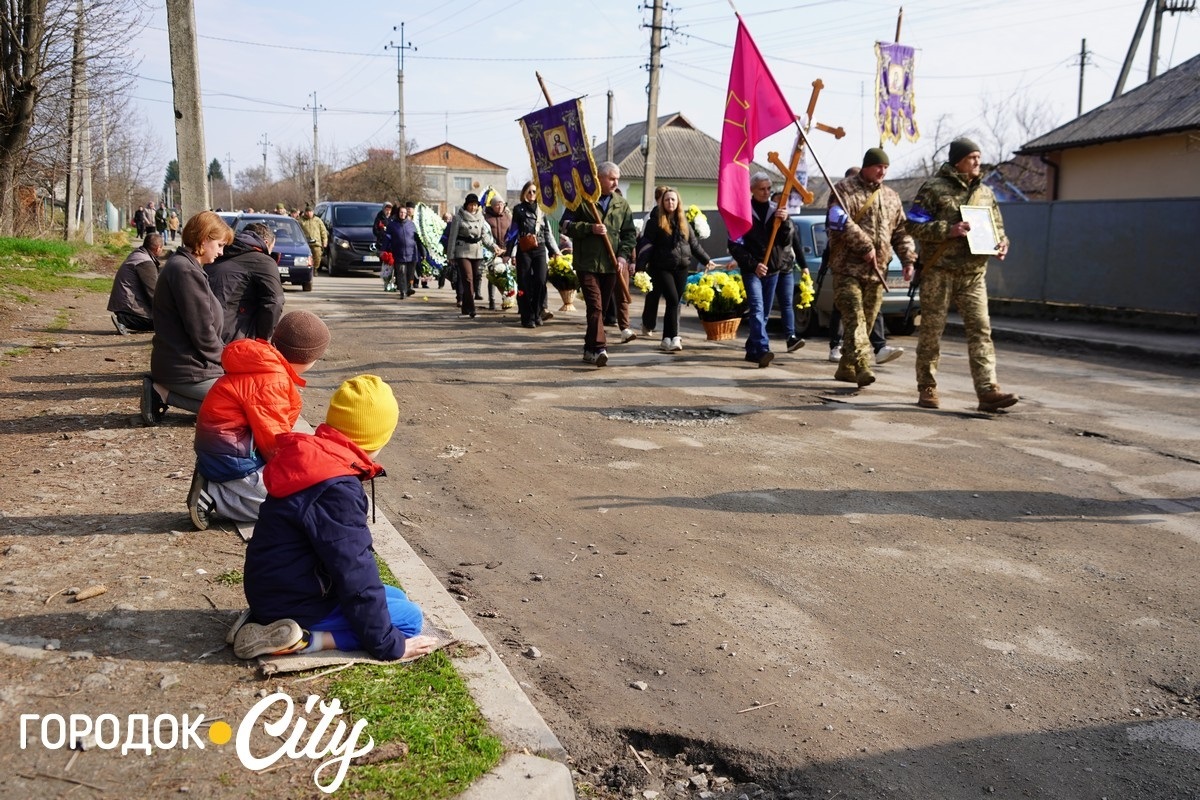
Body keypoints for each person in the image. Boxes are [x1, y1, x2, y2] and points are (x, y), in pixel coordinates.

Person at [231, 375, 440, 662]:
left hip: (277, 590)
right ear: (378, 437)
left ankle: (268, 623)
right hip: (296, 601)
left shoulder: (313, 460)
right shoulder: (336, 488)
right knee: (409, 619)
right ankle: (305, 640)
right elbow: (354, 570)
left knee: (395, 597)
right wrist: (390, 645)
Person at [187, 310, 330, 530]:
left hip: (227, 449)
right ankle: (215, 493)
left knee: (297, 497)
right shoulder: (272, 380)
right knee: (291, 506)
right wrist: (293, 474)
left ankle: (222, 484)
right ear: (309, 358)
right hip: (232, 456)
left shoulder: (264, 364)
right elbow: (274, 440)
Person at [907, 137, 1018, 413]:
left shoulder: (986, 193)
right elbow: (913, 225)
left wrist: (1002, 243)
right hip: (939, 272)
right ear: (958, 160)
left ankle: (987, 390)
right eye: (972, 157)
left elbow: (998, 227)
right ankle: (927, 386)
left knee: (981, 330)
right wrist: (948, 229)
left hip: (973, 273)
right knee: (932, 332)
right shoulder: (934, 188)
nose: (977, 162)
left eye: (979, 157)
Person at [825, 148, 916, 388]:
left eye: (886, 167)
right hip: (847, 269)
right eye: (878, 166)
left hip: (877, 272)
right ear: (866, 166)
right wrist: (865, 245)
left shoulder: (891, 196)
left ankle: (846, 367)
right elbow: (838, 221)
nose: (882, 171)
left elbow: (900, 232)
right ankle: (863, 366)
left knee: (866, 320)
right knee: (855, 319)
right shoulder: (843, 190)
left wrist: (908, 260)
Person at [142, 210, 234, 425]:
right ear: (204, 240)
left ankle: (163, 392)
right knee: (239, 407)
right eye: (220, 245)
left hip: (188, 365)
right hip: (186, 369)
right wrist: (228, 362)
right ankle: (161, 393)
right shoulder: (185, 272)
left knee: (242, 403)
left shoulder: (186, 266)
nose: (221, 252)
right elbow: (202, 331)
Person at [560, 161, 637, 367]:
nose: (615, 183)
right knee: (595, 306)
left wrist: (622, 256)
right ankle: (600, 348)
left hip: (612, 264)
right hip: (587, 263)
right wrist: (589, 228)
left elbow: (629, 234)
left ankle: (589, 349)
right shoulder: (581, 200)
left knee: (599, 309)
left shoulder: (621, 204)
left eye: (617, 179)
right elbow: (564, 225)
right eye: (611, 178)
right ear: (599, 178)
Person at [728, 172, 793, 367]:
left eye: (768, 189)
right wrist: (753, 265)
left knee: (763, 313)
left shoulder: (777, 210)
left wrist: (786, 223)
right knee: (756, 307)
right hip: (752, 269)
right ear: (752, 190)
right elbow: (734, 245)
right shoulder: (742, 212)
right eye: (762, 189)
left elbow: (785, 241)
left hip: (772, 269)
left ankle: (752, 349)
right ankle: (763, 348)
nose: (766, 193)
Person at [637, 187, 714, 352]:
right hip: (662, 267)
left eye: (673, 199)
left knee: (674, 302)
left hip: (682, 267)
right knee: (673, 299)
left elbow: (693, 244)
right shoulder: (655, 222)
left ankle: (667, 338)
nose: (670, 202)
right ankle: (675, 336)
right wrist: (640, 268)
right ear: (662, 203)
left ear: (678, 202)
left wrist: (707, 260)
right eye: (667, 200)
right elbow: (646, 245)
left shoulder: (684, 221)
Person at [206, 221, 285, 344]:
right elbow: (275, 301)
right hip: (236, 339)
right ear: (265, 243)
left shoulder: (218, 252)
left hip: (206, 332)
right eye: (271, 248)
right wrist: (261, 338)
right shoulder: (263, 261)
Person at [506, 181, 559, 328]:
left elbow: (547, 232)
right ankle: (526, 316)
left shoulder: (542, 209)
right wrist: (508, 253)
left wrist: (555, 251)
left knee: (541, 281)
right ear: (524, 193)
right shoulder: (518, 209)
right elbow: (513, 232)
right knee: (524, 284)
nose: (531, 195)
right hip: (524, 249)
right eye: (529, 192)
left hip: (540, 248)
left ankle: (537, 313)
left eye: (534, 192)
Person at [445, 193, 497, 319]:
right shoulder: (458, 218)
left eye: (475, 205)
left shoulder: (481, 218)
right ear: (466, 205)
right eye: (471, 205)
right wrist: (450, 255)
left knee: (474, 279)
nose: (473, 208)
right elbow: (452, 237)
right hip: (462, 251)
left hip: (477, 252)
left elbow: (484, 236)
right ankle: (472, 307)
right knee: (468, 279)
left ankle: (465, 307)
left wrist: (494, 247)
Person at [107, 234, 165, 335]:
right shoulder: (145, 262)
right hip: (128, 306)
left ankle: (125, 318)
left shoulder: (138, 255)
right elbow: (153, 292)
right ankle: (124, 320)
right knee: (164, 323)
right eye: (162, 248)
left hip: (125, 303)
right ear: (157, 248)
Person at [383, 204, 424, 297]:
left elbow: (418, 239)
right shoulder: (392, 225)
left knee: (410, 274)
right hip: (398, 252)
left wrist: (422, 252)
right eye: (401, 212)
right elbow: (387, 238)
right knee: (401, 272)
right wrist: (383, 250)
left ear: (407, 214)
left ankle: (408, 288)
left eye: (404, 213)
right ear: (398, 213)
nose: (402, 214)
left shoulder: (411, 224)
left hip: (412, 253)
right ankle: (403, 291)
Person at [483, 196, 512, 310]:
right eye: (497, 205)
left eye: (501, 204)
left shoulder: (508, 217)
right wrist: (493, 248)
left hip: (506, 250)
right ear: (492, 206)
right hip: (492, 251)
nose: (499, 207)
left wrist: (507, 249)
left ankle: (507, 299)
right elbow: (485, 234)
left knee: (507, 276)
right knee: (493, 276)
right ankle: (492, 300)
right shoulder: (486, 218)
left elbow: (512, 233)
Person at [298, 204, 327, 279]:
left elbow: (323, 231)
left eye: (310, 211)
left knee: (317, 256)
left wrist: (325, 241)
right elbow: (297, 231)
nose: (309, 213)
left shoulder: (318, 220)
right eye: (307, 212)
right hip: (305, 243)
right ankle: (305, 270)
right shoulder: (301, 221)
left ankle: (315, 269)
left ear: (313, 212)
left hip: (316, 242)